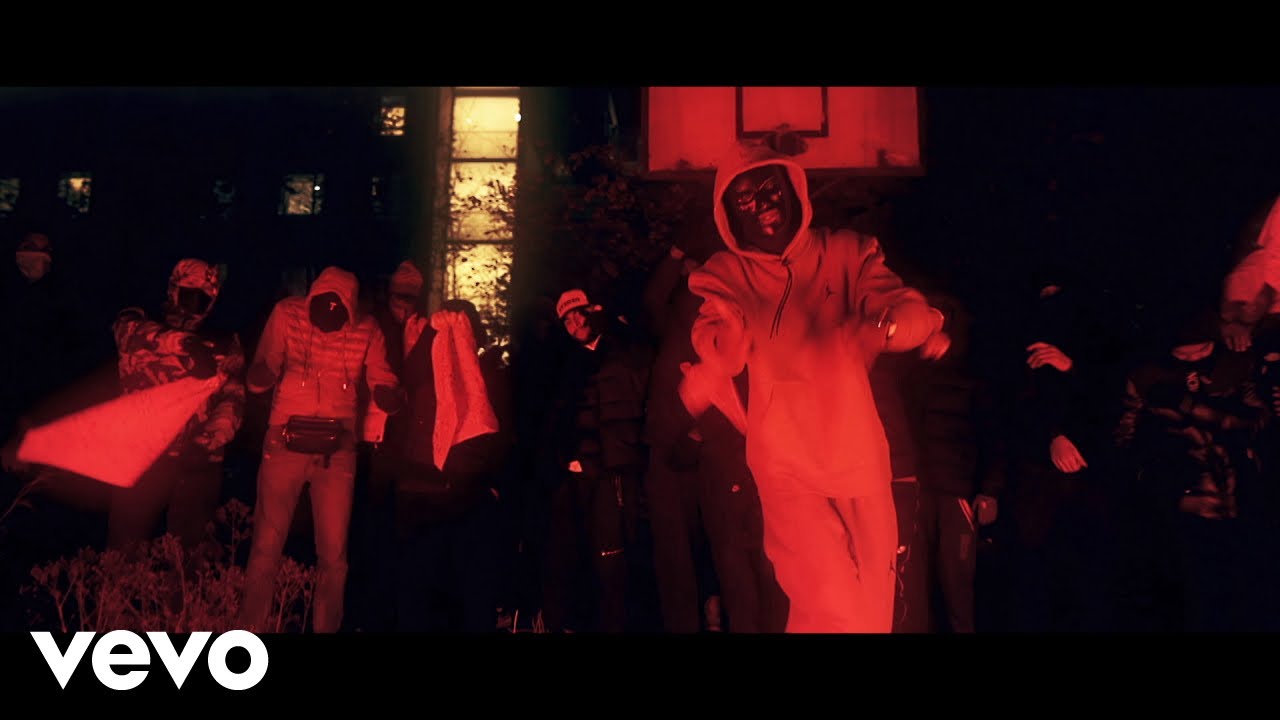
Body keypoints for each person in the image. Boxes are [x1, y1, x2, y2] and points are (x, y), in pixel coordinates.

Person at [678, 136, 943, 633]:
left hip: (858, 458)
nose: (762, 204)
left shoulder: (848, 252)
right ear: (728, 213)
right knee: (830, 600)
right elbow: (712, 334)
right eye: (744, 198)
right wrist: (724, 347)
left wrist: (891, 327)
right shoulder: (726, 274)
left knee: (871, 614)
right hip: (785, 467)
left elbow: (905, 307)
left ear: (793, 189)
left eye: (770, 188)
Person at [238, 266, 402, 634]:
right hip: (285, 438)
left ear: (349, 308)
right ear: (311, 299)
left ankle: (326, 626)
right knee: (267, 542)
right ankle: (252, 628)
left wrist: (389, 393)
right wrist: (260, 376)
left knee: (334, 552)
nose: (328, 317)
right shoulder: (287, 314)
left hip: (337, 447)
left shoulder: (367, 329)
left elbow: (382, 374)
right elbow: (265, 364)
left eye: (337, 311)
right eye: (322, 307)